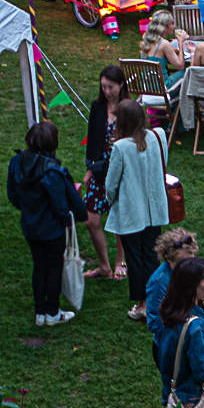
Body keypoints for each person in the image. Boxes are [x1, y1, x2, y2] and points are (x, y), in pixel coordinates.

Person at [6, 120, 86, 326]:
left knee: (39, 265)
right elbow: (61, 206)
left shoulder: (16, 162)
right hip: (52, 229)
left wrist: (28, 209)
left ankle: (39, 313)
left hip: (30, 226)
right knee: (54, 267)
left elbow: (12, 195)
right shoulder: (53, 173)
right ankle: (52, 312)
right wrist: (69, 221)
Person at [105, 100, 172, 322]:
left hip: (131, 212)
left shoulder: (121, 148)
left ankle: (143, 304)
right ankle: (155, 301)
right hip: (154, 209)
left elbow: (111, 184)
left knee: (135, 259)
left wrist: (112, 200)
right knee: (152, 256)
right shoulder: (157, 137)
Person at [154, 257, 204, 408]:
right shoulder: (196, 327)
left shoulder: (168, 313)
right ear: (192, 286)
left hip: (177, 396)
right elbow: (203, 372)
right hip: (198, 402)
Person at [82, 66, 128, 281]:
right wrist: (89, 168)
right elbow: (92, 139)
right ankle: (103, 266)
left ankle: (121, 260)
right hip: (100, 170)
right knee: (91, 221)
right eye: (103, 87)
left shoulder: (129, 109)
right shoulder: (98, 107)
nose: (107, 91)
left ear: (121, 85)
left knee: (118, 219)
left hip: (122, 172)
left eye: (111, 87)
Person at [145, 226, 204, 335]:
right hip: (175, 343)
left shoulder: (196, 269)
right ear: (168, 258)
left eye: (192, 259)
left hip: (197, 332)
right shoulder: (159, 283)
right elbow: (154, 324)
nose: (190, 266)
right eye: (183, 263)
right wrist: (184, 328)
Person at [141, 9, 190, 89]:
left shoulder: (145, 42)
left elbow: (156, 56)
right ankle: (185, 100)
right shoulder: (164, 44)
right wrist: (180, 42)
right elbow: (180, 66)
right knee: (185, 72)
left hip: (147, 87)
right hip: (162, 89)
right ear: (164, 27)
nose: (174, 26)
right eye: (172, 23)